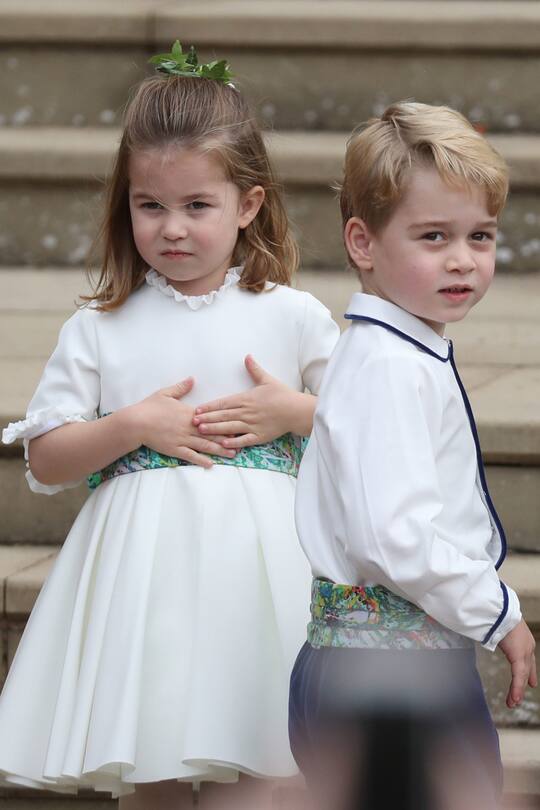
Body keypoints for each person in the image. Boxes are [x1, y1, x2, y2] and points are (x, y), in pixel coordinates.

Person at [0, 43, 339, 809]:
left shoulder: (291, 315)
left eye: (197, 206)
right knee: (149, 759)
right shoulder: (102, 327)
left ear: (247, 205)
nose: (172, 228)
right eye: (150, 206)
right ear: (125, 203)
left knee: (261, 759)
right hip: (143, 583)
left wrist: (295, 412)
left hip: (261, 580)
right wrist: (130, 424)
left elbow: (370, 422)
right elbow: (48, 458)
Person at [290, 101, 537, 810]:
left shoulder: (394, 352)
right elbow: (394, 534)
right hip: (389, 676)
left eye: (479, 235)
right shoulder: (391, 367)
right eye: (434, 236)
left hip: (381, 663)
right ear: (362, 243)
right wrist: (497, 612)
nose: (462, 258)